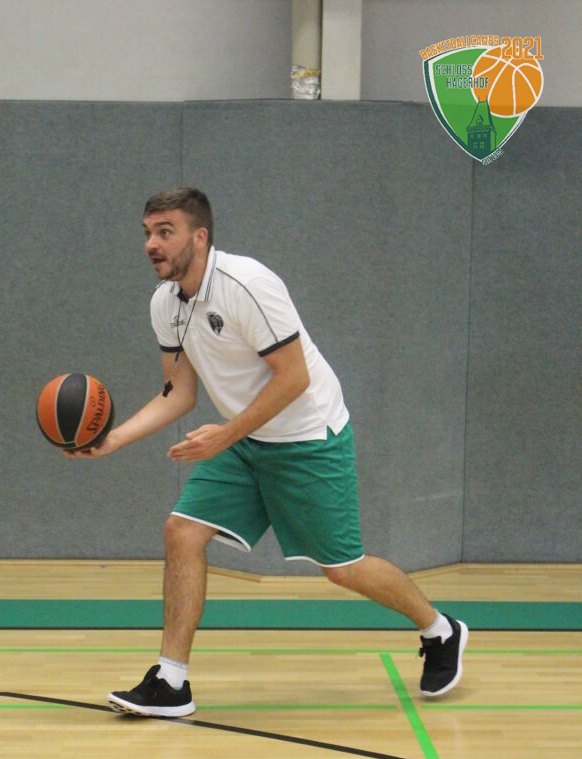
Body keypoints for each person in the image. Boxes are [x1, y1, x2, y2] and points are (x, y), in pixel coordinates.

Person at [69, 187, 468, 717]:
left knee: (342, 568)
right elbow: (178, 392)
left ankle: (441, 630)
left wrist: (225, 435)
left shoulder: (248, 285)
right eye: (147, 233)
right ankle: (171, 681)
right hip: (243, 439)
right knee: (181, 532)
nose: (151, 244)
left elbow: (294, 378)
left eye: (165, 231)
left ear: (200, 236)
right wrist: (112, 440)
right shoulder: (165, 304)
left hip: (306, 436)